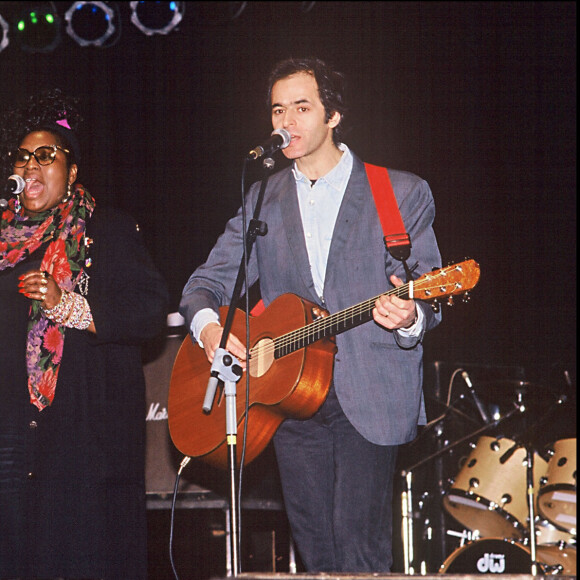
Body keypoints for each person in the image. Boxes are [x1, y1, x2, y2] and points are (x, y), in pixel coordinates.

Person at [179, 57, 442, 573]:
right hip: (291, 398)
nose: (286, 122)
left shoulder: (399, 192)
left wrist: (410, 315)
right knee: (315, 550)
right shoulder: (262, 200)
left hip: (369, 391)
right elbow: (203, 284)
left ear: (334, 115)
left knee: (359, 549)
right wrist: (210, 329)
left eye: (302, 107)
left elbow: (427, 290)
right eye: (278, 110)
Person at [0, 89, 169, 580]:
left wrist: (69, 305)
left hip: (85, 445)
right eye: (23, 156)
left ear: (71, 172)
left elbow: (149, 310)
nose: (32, 164)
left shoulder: (107, 230)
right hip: (13, 442)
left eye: (46, 155)